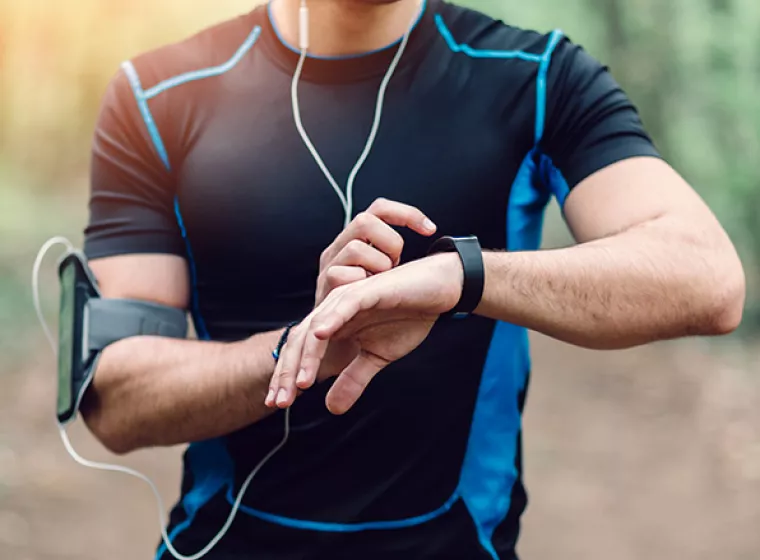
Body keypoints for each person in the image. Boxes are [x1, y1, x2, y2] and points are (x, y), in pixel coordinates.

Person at [80, 0, 746, 558]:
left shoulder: (536, 79)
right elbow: (114, 397)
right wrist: (306, 350)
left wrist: (463, 279)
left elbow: (706, 277)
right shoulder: (157, 95)